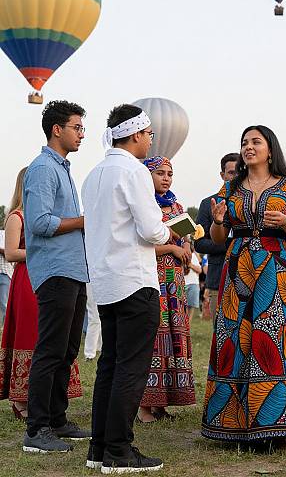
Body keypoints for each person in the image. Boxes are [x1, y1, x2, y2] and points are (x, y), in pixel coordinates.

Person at [202, 125, 286, 441]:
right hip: (238, 265)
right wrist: (217, 221)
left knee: (274, 336)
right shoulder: (230, 189)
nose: (248, 146)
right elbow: (219, 237)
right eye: (244, 142)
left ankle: (282, 421)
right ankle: (234, 420)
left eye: (255, 141)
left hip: (276, 267)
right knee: (238, 336)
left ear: (270, 149)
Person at [82, 104, 172, 473]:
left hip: (104, 281)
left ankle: (99, 447)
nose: (150, 140)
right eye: (149, 134)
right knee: (131, 369)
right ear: (136, 134)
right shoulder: (134, 171)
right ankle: (119, 451)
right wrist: (172, 232)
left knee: (110, 366)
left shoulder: (94, 173)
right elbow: (151, 230)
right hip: (134, 280)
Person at [22, 101, 90, 453]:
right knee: (50, 349)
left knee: (67, 349)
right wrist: (82, 221)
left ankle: (57, 419)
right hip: (55, 271)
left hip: (74, 270)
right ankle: (36, 429)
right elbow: (39, 223)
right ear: (57, 130)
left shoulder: (63, 169)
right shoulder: (43, 169)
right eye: (77, 127)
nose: (82, 134)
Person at [0, 168, 82, 420]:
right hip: (27, 279)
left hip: (50, 274)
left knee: (52, 336)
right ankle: (21, 399)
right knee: (29, 334)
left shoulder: (52, 216)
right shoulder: (17, 217)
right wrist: (40, 250)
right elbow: (11, 253)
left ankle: (49, 398)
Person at [138, 156, 196, 422]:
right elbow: (140, 244)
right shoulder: (143, 204)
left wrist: (185, 247)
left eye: (170, 173)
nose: (166, 178)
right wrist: (172, 247)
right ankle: (145, 405)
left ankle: (163, 402)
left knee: (173, 337)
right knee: (154, 337)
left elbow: (187, 237)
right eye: (160, 172)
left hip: (175, 283)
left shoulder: (176, 206)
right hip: (152, 278)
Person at [195, 153, 239, 325]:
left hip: (250, 278)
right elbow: (199, 243)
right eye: (231, 173)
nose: (236, 177)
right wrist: (231, 244)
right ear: (222, 175)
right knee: (221, 334)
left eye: (240, 172)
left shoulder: (255, 202)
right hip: (218, 277)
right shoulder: (208, 204)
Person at [83, 284, 102, 361]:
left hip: (99, 283)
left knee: (98, 318)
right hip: (92, 283)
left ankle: (99, 346)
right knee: (94, 318)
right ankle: (89, 353)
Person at [185, 249, 202, 321]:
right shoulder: (178, 253)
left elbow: (199, 270)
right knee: (182, 307)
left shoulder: (193, 255)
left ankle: (188, 327)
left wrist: (190, 265)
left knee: (191, 306)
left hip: (193, 283)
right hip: (182, 283)